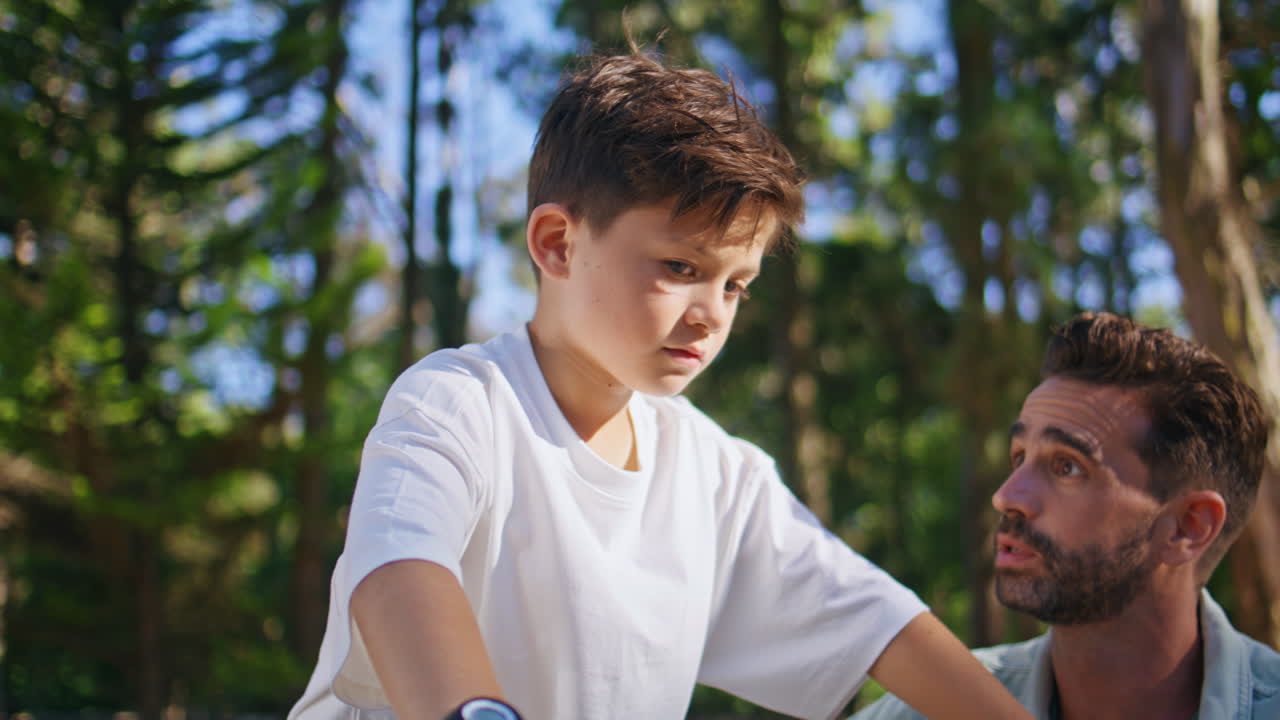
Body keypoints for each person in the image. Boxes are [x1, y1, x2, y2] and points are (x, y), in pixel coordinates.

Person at [287, 50, 1031, 720]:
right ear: (557, 244)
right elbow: (398, 575)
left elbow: (880, 624)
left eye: (737, 284)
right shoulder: (457, 403)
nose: (711, 314)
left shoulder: (715, 474)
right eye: (681, 268)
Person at [854, 312, 1279, 720]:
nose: (1006, 497)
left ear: (1189, 526)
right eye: (1019, 457)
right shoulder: (927, 710)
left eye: (1067, 467)